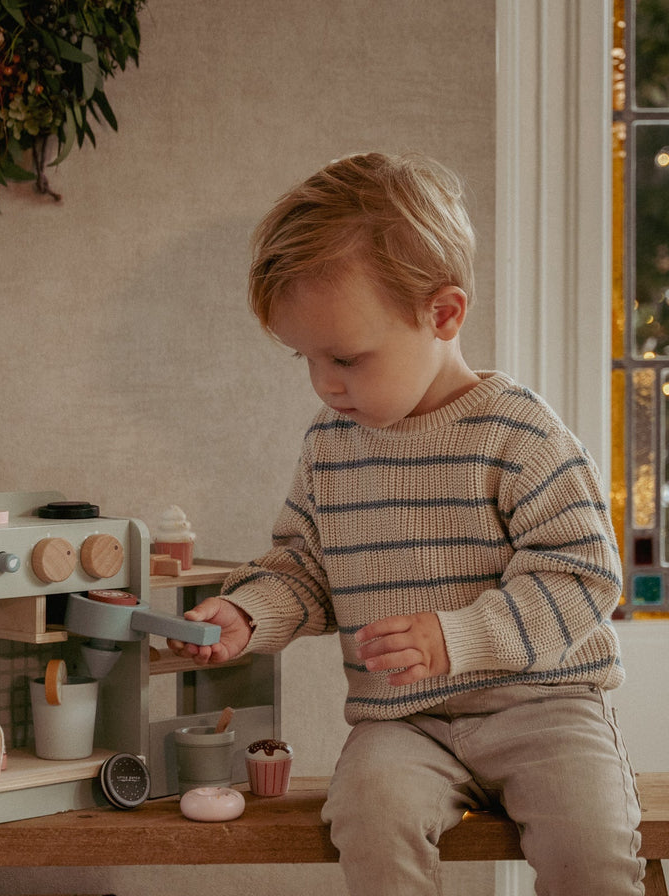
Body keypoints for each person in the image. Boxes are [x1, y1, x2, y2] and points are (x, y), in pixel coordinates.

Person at [167, 152, 644, 894]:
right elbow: (303, 569)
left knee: (594, 848)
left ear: (443, 314)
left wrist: (455, 638)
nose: (325, 383)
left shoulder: (517, 433)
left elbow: (581, 574)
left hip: (543, 705)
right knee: (366, 813)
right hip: (404, 722)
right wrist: (247, 611)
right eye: (307, 358)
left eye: (347, 357)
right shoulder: (330, 447)